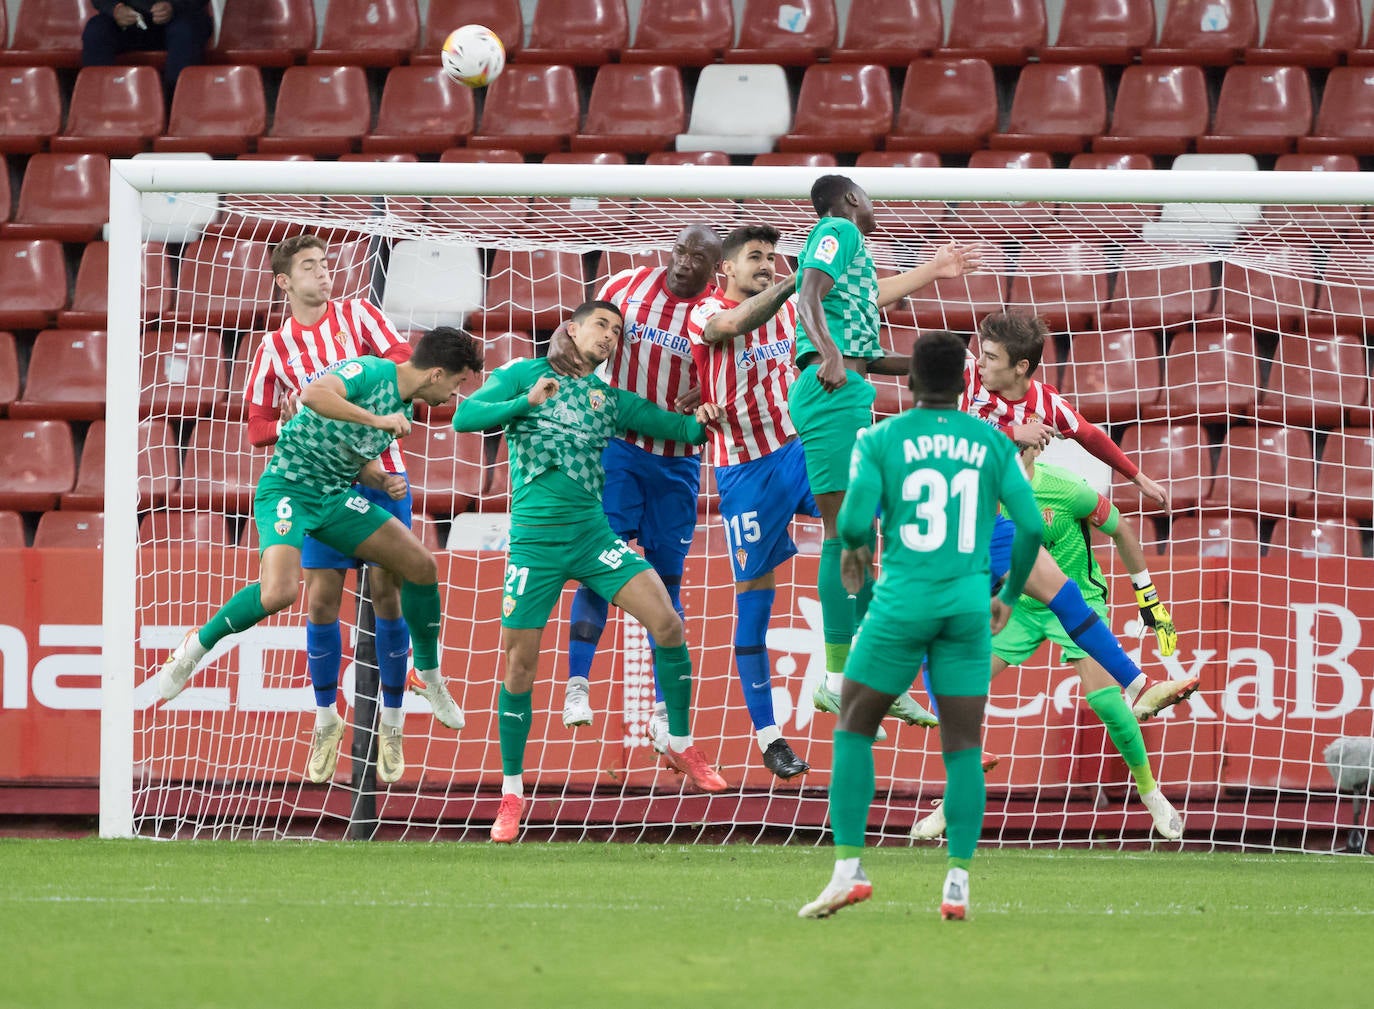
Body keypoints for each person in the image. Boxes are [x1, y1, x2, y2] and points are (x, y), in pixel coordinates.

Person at [155, 327, 485, 786]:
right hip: (288, 491)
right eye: (457, 382)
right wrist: (378, 421)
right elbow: (314, 395)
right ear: (436, 374)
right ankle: (196, 647)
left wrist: (380, 479)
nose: (454, 394)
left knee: (421, 566)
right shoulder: (371, 371)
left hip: (334, 498)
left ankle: (427, 676)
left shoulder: (405, 406)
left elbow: (349, 453)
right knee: (280, 593)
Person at [452, 300, 730, 844]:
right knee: (519, 667)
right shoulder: (523, 373)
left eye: (617, 331)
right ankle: (512, 793)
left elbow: (678, 430)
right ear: (571, 328)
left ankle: (678, 740)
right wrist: (525, 402)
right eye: (601, 324)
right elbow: (464, 418)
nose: (609, 336)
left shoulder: (609, 399)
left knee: (667, 621)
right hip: (534, 546)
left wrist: (703, 419)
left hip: (593, 538)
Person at [798, 331, 1043, 923]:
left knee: (854, 725)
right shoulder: (992, 442)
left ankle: (849, 871)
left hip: (900, 606)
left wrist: (856, 551)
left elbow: (852, 521)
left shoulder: (880, 438)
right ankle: (957, 883)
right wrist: (1008, 594)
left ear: (908, 383)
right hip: (966, 608)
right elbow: (1032, 526)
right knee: (963, 746)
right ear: (962, 384)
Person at [246, 235, 465, 786]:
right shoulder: (273, 348)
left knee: (388, 594)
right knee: (321, 599)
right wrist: (292, 423)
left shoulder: (359, 315)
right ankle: (325, 720)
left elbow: (404, 367)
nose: (324, 273)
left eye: (326, 264)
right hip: (319, 483)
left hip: (383, 474)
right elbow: (257, 428)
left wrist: (343, 399)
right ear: (284, 282)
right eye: (310, 267)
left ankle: (393, 721)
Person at [788, 174, 981, 729]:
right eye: (868, 196)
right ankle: (836, 680)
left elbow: (867, 345)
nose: (875, 205)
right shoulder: (838, 229)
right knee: (843, 533)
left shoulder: (857, 269)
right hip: (831, 389)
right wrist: (829, 353)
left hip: (847, 389)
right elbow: (807, 292)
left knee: (860, 535)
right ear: (851, 198)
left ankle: (868, 674)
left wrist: (934, 364)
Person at [911, 452, 1184, 843]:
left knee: (1107, 703)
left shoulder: (1067, 490)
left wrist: (1148, 597)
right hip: (1018, 608)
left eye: (1017, 441)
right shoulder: (987, 494)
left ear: (1036, 447)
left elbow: (1122, 529)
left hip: (1076, 603)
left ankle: (1150, 793)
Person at [962, 311, 1198, 720]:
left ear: (1020, 367)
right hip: (953, 520)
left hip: (993, 526)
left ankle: (1140, 687)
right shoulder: (967, 378)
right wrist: (1011, 433)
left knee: (1067, 598)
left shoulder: (1046, 405)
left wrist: (1138, 477)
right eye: (980, 354)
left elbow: (1088, 434)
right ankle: (868, 684)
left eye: (991, 357)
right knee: (938, 637)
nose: (980, 362)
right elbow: (948, 433)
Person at [551, 225, 723, 739]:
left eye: (697, 257)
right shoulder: (629, 285)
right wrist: (560, 340)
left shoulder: (718, 313)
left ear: (715, 268)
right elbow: (576, 328)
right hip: (620, 448)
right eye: (680, 250)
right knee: (600, 565)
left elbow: (736, 373)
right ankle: (577, 683)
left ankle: (666, 709)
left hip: (679, 459)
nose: (684, 262)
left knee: (667, 582)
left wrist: (710, 387)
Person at [685, 224, 814, 779]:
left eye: (772, 256)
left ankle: (846, 673)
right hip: (743, 471)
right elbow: (733, 326)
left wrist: (933, 271)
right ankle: (769, 736)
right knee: (754, 603)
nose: (766, 263)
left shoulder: (789, 309)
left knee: (866, 512)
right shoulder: (706, 310)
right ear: (727, 268)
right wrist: (794, 282)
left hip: (795, 449)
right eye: (755, 256)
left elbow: (865, 303)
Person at [81, 1, 211, 90]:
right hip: (128, 21)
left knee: (185, 32)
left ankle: (177, 104)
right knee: (96, 31)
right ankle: (99, 100)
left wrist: (173, 5)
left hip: (181, 17)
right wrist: (115, 8)